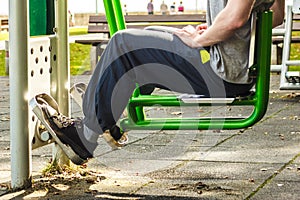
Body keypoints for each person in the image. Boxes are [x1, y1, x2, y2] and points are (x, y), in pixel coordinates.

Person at [38, 0, 285, 165]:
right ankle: (111, 104)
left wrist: (202, 40)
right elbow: (276, 16)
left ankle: (85, 135)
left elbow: (235, 20)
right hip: (229, 67)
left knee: (123, 43)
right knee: (152, 32)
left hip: (219, 71)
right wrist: (212, 32)